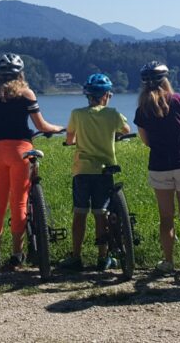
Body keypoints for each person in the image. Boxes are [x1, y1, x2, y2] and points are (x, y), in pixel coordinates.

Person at [0, 53, 63, 271]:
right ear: (20, 74)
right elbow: (41, 126)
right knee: (20, 202)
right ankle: (16, 255)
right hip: (20, 152)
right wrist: (58, 128)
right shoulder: (26, 94)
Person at [134, 61, 180, 274]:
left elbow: (146, 141)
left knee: (166, 218)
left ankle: (168, 262)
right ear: (166, 80)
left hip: (159, 166)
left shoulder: (142, 110)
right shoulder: (179, 101)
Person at [60, 73, 130, 271]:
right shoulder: (113, 114)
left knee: (80, 213)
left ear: (88, 96)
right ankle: (102, 257)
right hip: (104, 171)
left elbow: (70, 138)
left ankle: (76, 256)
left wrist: (72, 141)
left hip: (82, 170)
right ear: (107, 95)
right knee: (101, 214)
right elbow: (126, 129)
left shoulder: (77, 114)